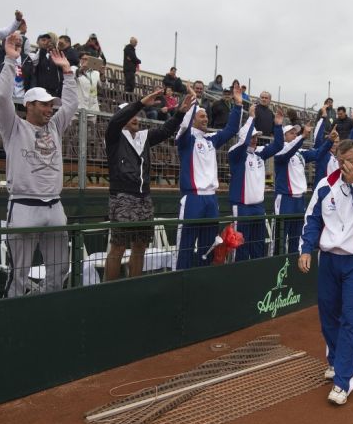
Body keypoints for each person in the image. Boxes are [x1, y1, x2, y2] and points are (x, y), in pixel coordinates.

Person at [298, 139, 353, 405]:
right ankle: (335, 361)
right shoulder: (325, 185)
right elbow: (312, 219)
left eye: (350, 160)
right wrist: (305, 249)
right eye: (341, 160)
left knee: (350, 320)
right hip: (328, 260)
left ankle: (343, 382)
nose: (345, 165)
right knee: (328, 316)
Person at [0, 32, 77, 297]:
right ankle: (14, 320)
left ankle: (46, 310)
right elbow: (1, 98)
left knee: (59, 269)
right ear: (29, 105)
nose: (50, 109)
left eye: (51, 104)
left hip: (54, 205)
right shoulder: (13, 127)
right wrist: (10, 60)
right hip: (23, 206)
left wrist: (68, 74)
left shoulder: (55, 125)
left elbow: (72, 105)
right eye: (44, 104)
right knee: (18, 273)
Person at [104, 87, 193, 281]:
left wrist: (179, 113)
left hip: (145, 198)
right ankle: (107, 291)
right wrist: (141, 103)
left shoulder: (143, 137)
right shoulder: (114, 136)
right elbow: (115, 120)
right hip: (122, 197)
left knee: (140, 246)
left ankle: (135, 285)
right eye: (131, 116)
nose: (135, 118)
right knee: (118, 246)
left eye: (137, 115)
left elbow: (165, 130)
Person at [174, 83, 243, 270]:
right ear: (193, 118)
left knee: (209, 244)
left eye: (206, 116)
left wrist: (238, 105)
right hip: (193, 198)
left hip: (211, 199)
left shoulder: (211, 139)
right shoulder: (186, 140)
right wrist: (192, 105)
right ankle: (180, 279)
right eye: (202, 116)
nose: (206, 119)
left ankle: (204, 276)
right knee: (186, 244)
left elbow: (230, 130)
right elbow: (184, 126)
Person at [228, 105, 285, 260]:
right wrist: (251, 118)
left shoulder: (259, 153)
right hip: (242, 207)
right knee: (240, 246)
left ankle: (257, 274)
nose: (254, 139)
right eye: (252, 137)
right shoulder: (235, 153)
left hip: (258, 207)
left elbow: (278, 145)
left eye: (255, 137)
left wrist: (278, 126)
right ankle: (238, 275)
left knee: (258, 245)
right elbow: (244, 141)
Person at [273, 118, 334, 254]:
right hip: (285, 198)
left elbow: (318, 154)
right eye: (291, 133)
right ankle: (277, 263)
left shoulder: (300, 153)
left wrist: (329, 141)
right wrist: (302, 137)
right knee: (281, 236)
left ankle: (295, 261)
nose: (294, 135)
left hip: (299, 199)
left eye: (295, 133)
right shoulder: (279, 151)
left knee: (297, 235)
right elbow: (287, 151)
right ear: (283, 136)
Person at [313, 108, 353, 188]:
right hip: (323, 192)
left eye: (337, 142)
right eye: (333, 142)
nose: (335, 144)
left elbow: (350, 142)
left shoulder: (341, 157)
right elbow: (317, 138)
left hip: (338, 192)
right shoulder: (322, 154)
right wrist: (323, 118)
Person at [75, 52, 103, 120]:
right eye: (84, 59)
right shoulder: (74, 69)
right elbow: (74, 75)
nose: (86, 61)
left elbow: (101, 86)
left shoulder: (96, 73)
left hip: (92, 109)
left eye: (88, 60)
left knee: (91, 130)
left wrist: (102, 74)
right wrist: (82, 68)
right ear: (80, 60)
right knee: (74, 130)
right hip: (78, 108)